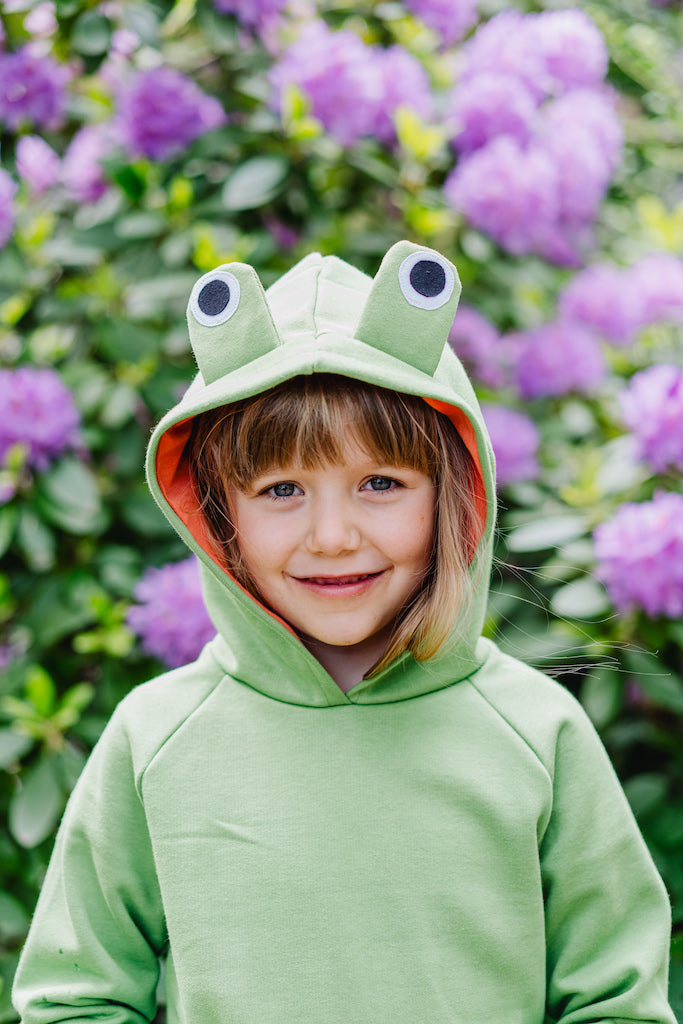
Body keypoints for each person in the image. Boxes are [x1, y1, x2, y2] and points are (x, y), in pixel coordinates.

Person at [13, 241, 676, 1024]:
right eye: (282, 488)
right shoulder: (155, 740)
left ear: (452, 494)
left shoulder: (537, 732)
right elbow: (75, 999)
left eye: (380, 484)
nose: (331, 535)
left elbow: (615, 1001)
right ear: (220, 514)